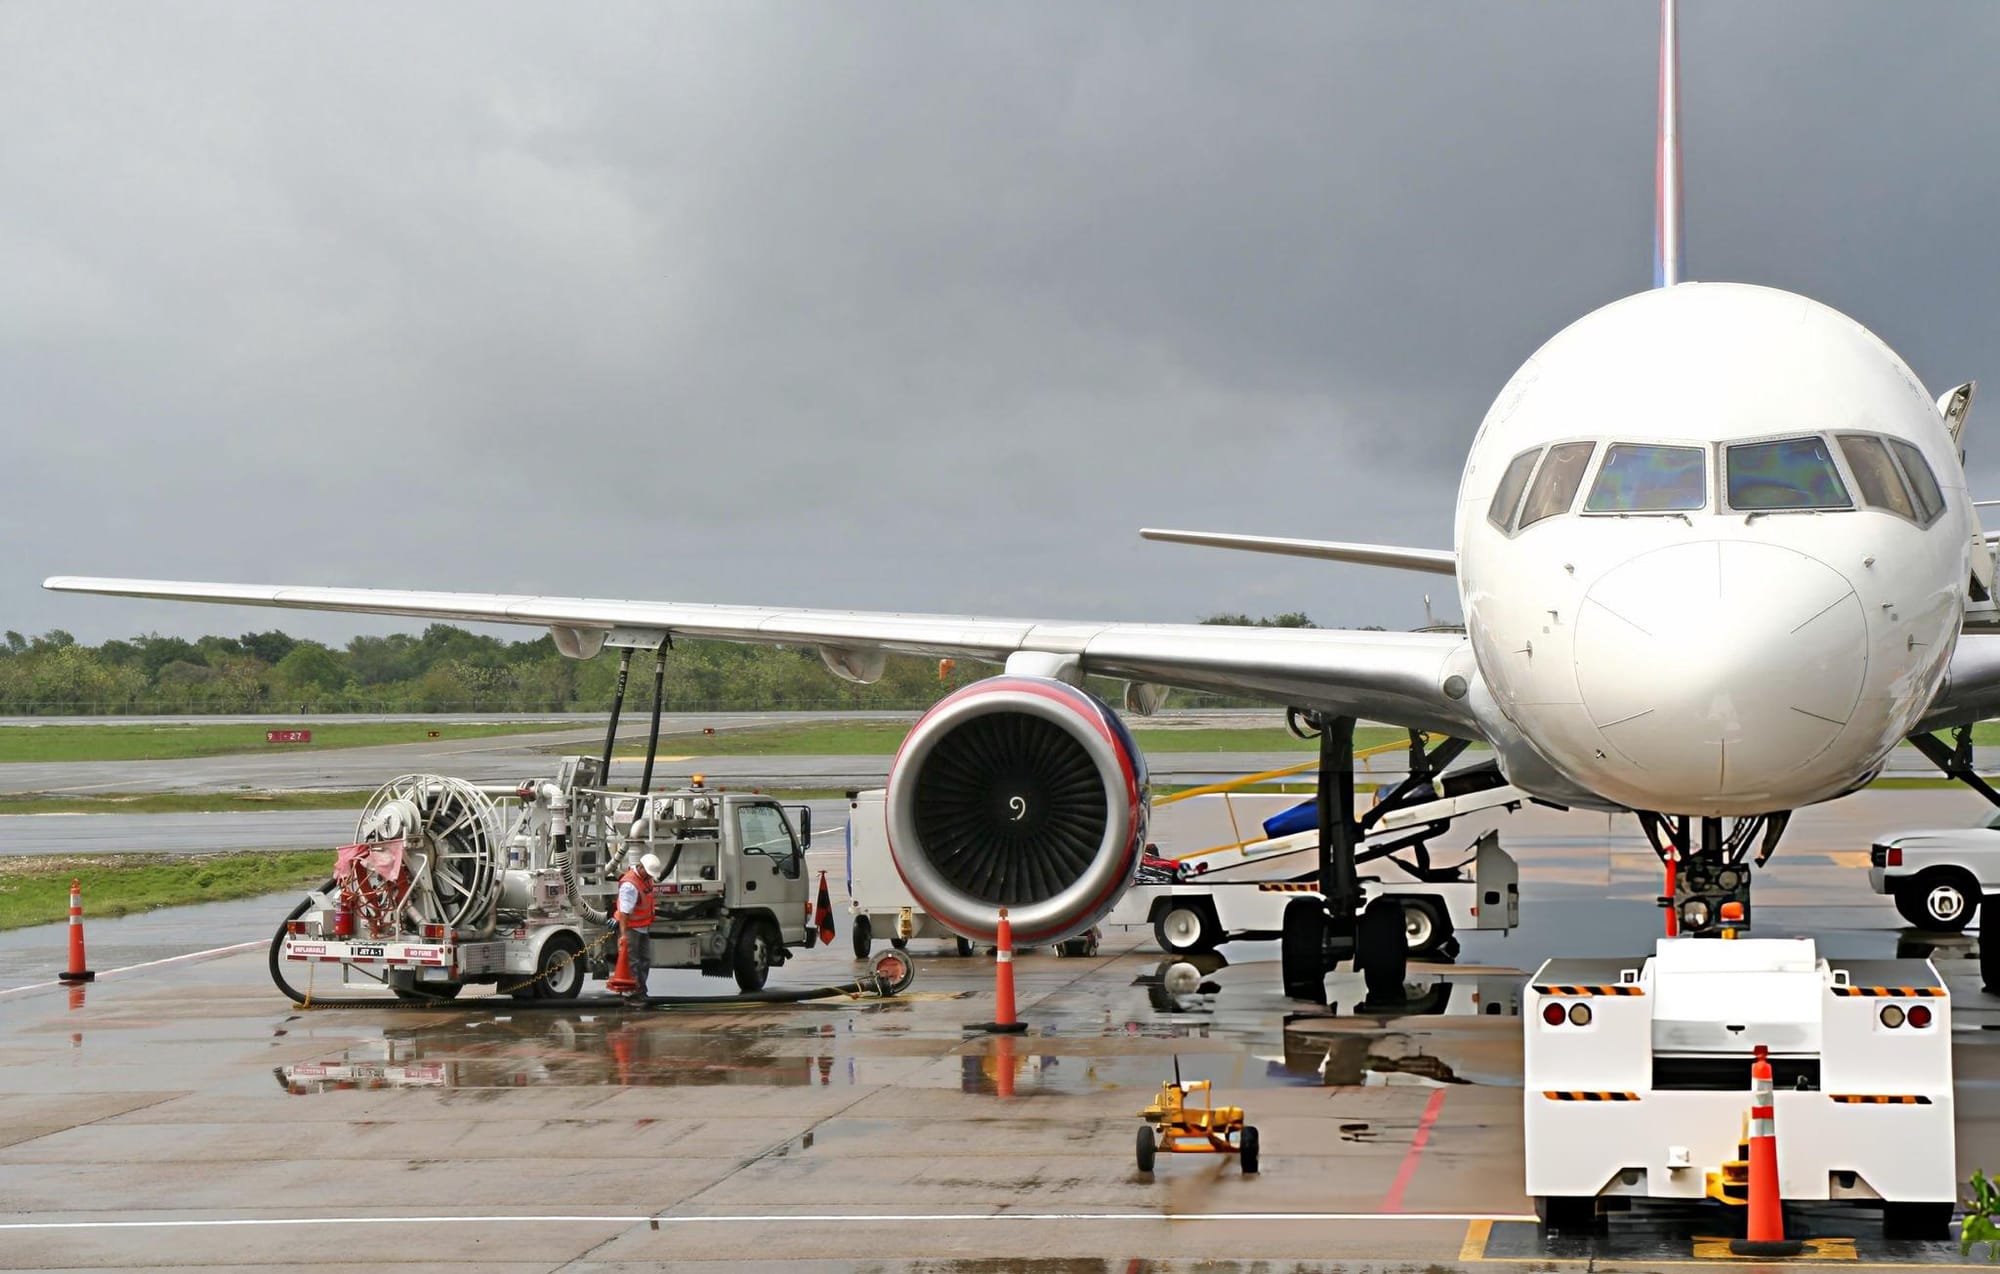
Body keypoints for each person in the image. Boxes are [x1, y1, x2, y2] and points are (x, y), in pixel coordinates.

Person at [613, 851, 662, 1001]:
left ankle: (641, 990)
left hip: (642, 927)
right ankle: (632, 994)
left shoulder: (646, 879)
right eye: (648, 873)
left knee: (645, 960)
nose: (650, 876)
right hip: (631, 928)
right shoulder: (630, 885)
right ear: (641, 867)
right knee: (633, 962)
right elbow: (624, 913)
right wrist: (623, 935)